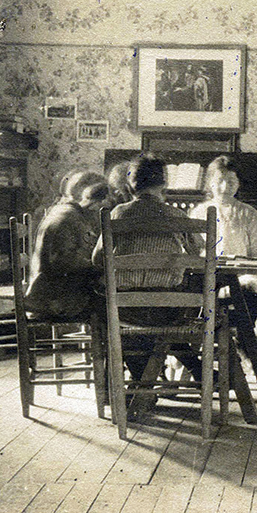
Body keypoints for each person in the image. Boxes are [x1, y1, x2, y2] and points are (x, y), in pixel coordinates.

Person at [92, 154, 205, 383]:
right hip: (169, 308)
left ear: (130, 185)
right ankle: (179, 372)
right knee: (172, 314)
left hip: (126, 308)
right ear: (164, 183)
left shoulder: (117, 214)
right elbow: (198, 254)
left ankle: (142, 381)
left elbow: (97, 259)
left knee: (108, 309)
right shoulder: (178, 216)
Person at [190, 155, 257, 389]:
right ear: (210, 183)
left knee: (248, 295)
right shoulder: (198, 212)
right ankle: (213, 355)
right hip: (208, 277)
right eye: (220, 181)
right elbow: (192, 252)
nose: (225, 187)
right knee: (198, 296)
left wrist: (239, 262)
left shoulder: (248, 213)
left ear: (239, 184)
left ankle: (240, 348)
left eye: (232, 182)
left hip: (242, 275)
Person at [25, 170, 109, 319]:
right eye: (101, 197)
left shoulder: (64, 211)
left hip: (51, 295)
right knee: (115, 305)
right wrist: (100, 266)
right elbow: (64, 262)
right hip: (56, 301)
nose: (104, 203)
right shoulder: (69, 218)